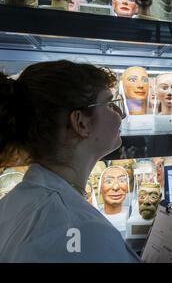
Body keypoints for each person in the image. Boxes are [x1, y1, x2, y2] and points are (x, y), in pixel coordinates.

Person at [0, 60, 140, 262]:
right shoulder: (81, 229)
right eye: (110, 104)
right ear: (80, 123)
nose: (120, 115)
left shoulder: (13, 202)